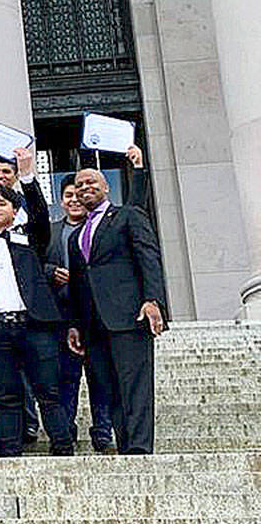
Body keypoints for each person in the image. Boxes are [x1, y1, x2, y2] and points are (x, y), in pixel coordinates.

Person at [0, 147, 74, 456]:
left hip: (34, 326)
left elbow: (39, 213)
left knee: (49, 393)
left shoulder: (29, 238)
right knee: (6, 396)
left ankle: (63, 449)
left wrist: (26, 175)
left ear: (13, 211)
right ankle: (11, 455)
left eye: (2, 203)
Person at [66, 167, 167, 455]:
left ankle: (139, 449)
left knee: (135, 387)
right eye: (79, 184)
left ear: (106, 187)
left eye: (91, 182)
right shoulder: (76, 237)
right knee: (110, 390)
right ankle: (126, 447)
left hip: (128, 316)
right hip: (93, 324)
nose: (85, 187)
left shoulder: (127, 215)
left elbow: (148, 256)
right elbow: (77, 282)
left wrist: (152, 299)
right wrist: (75, 324)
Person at [49, 175, 114, 453]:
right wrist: (52, 272)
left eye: (78, 194)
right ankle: (66, 431)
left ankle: (103, 430)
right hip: (63, 314)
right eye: (68, 195)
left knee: (100, 376)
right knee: (67, 377)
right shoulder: (50, 231)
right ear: (61, 200)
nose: (74, 200)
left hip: (98, 313)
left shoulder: (101, 227)